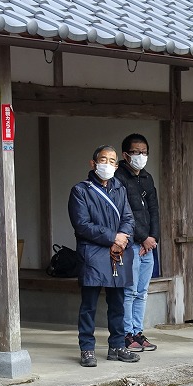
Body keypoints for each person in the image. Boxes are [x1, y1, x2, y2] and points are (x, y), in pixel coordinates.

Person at [69, 146, 138, 367]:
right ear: (93, 163)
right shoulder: (81, 190)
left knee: (117, 303)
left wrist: (123, 237)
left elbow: (128, 217)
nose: (106, 165)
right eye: (102, 159)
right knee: (89, 304)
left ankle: (117, 345)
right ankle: (87, 349)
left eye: (111, 161)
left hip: (118, 253)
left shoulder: (120, 188)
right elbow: (82, 225)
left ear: (117, 166)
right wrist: (113, 237)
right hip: (93, 253)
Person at [114, 133, 159, 352]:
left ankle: (138, 332)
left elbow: (154, 210)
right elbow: (126, 212)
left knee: (142, 291)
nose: (140, 156)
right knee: (129, 291)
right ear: (125, 155)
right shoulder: (119, 178)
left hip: (147, 245)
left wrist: (153, 238)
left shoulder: (147, 178)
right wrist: (143, 238)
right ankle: (126, 334)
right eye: (135, 152)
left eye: (144, 152)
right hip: (131, 243)